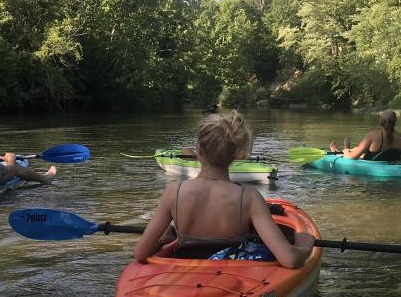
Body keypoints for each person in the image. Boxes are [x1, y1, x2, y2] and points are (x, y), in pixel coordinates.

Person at [133, 111, 314, 268]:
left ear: (198, 150)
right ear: (237, 156)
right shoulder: (249, 198)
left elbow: (140, 254)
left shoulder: (174, 191)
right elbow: (290, 260)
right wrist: (304, 246)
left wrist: (163, 240)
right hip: (232, 270)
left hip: (184, 267)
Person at [331, 109, 401, 162]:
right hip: (393, 166)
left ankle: (339, 151)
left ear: (381, 122)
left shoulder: (373, 135)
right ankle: (342, 150)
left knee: (352, 152)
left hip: (372, 165)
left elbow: (352, 157)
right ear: (395, 122)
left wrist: (346, 152)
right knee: (357, 149)